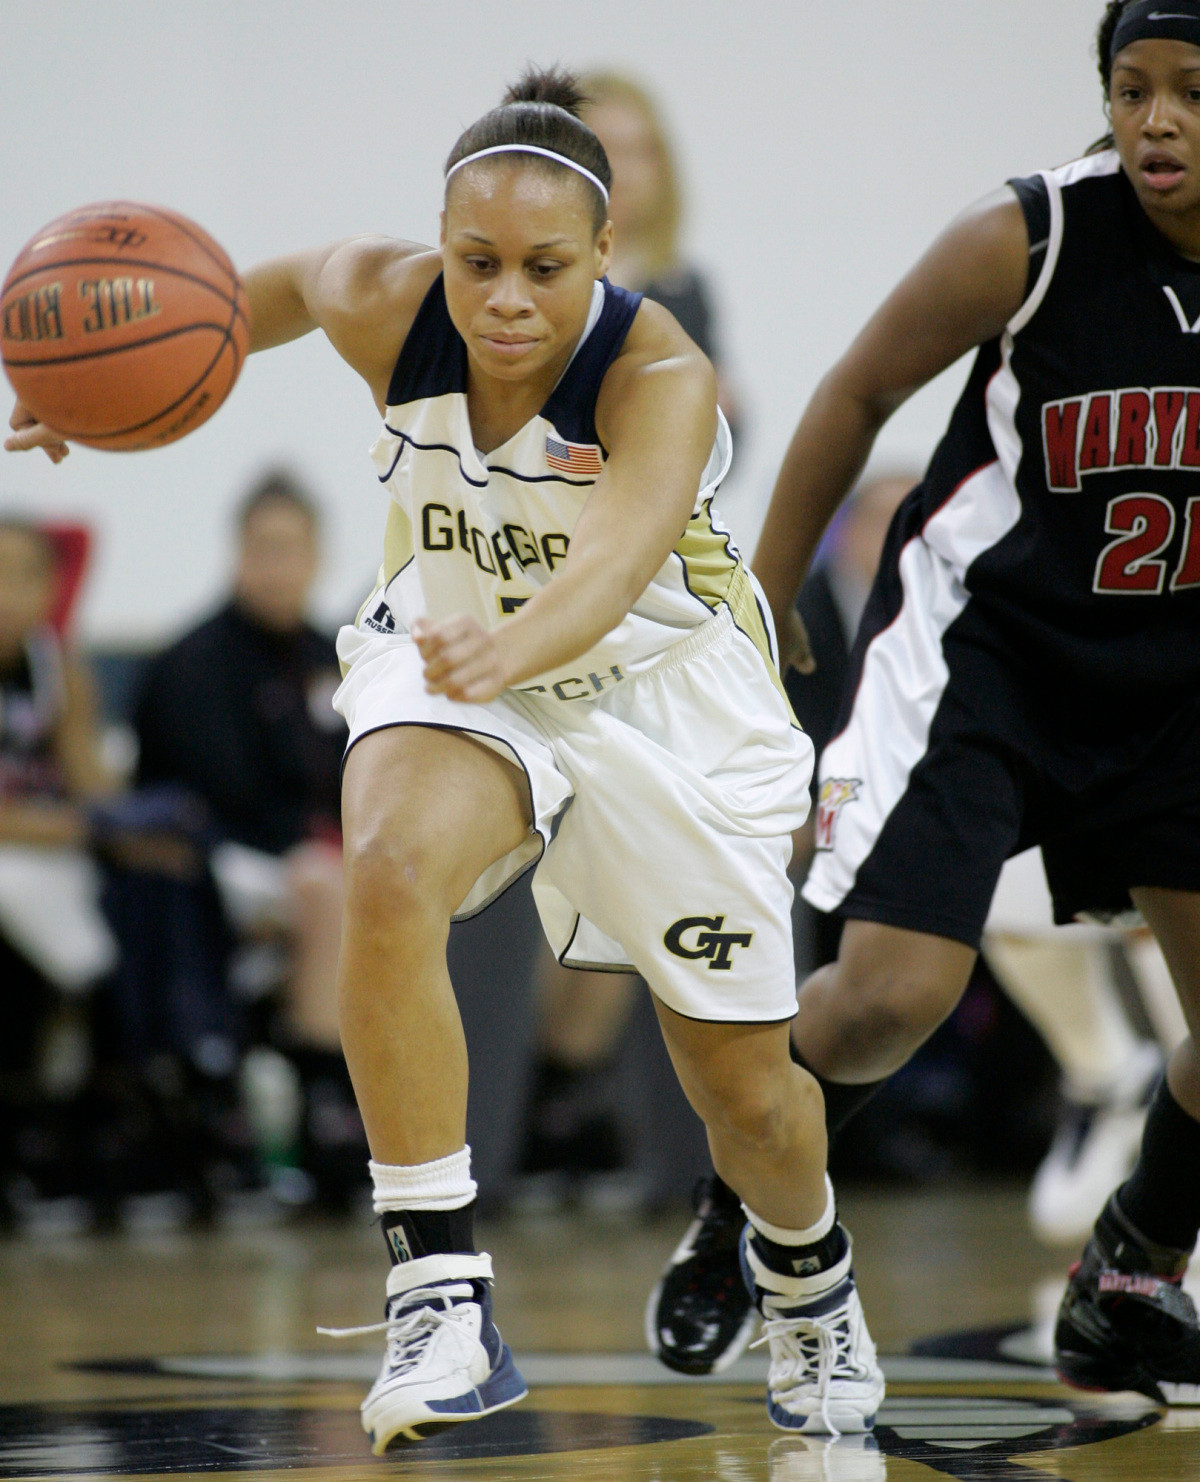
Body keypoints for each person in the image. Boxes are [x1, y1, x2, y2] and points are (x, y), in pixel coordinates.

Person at [6, 68, 884, 1446]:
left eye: (545, 266)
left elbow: (612, 559)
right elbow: (258, 295)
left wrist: (521, 642)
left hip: (663, 704)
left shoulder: (659, 371)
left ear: (605, 255)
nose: (507, 298)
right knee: (390, 863)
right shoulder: (388, 299)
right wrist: (101, 393)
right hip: (462, 650)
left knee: (747, 1092)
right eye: (477, 261)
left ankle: (810, 1276)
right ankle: (441, 1289)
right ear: (441, 245)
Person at [648, 0, 1200, 1406]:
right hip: (985, 652)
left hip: (1176, 676)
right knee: (893, 994)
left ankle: (1131, 1271)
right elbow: (856, 390)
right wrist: (761, 597)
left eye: (1188, 93)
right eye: (1131, 89)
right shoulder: (1035, 232)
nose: (1156, 120)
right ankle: (742, 1208)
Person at [514, 71, 744, 1204]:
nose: (629, 165)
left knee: (666, 891)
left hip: (653, 629)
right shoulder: (519, 290)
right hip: (533, 608)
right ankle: (506, 1136)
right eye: (606, 146)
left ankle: (662, 1153)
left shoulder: (687, 293)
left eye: (643, 148)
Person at [127, 471, 359, 1210]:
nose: (276, 564)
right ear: (238, 553)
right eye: (263, 548)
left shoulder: (334, 657)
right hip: (215, 862)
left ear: (318, 556)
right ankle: (325, 1099)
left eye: (292, 548)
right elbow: (212, 799)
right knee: (329, 884)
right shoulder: (196, 662)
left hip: (313, 859)